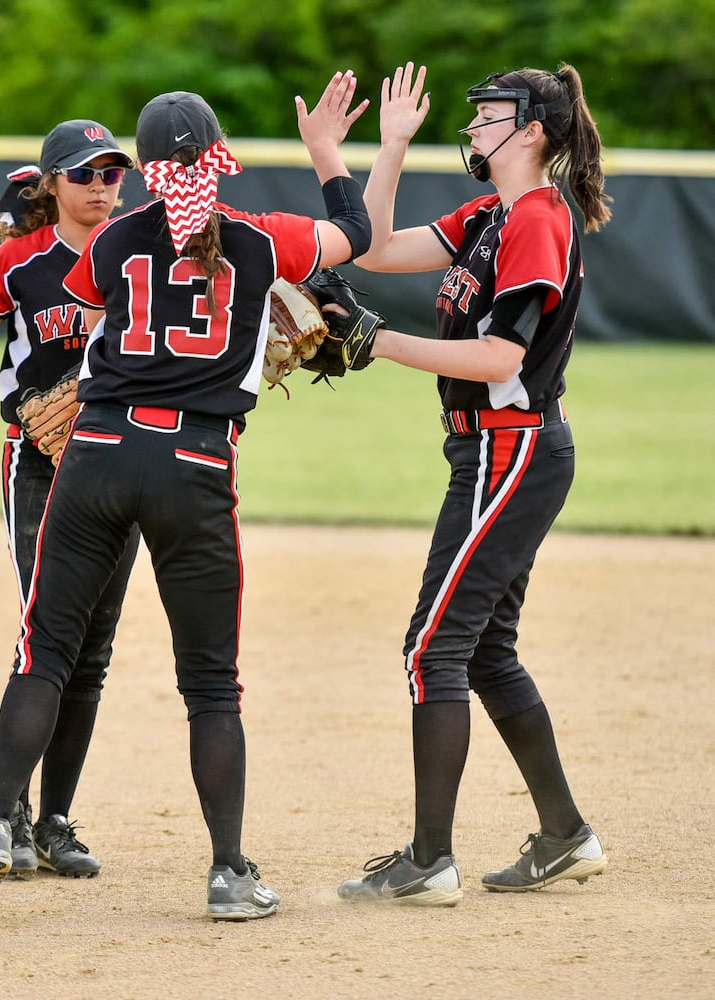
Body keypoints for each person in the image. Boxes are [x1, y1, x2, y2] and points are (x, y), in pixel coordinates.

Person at [0, 71, 372, 919]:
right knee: (211, 686)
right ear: (218, 158)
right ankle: (228, 874)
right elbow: (355, 232)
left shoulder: (109, 243)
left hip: (95, 455)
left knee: (44, 652)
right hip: (197, 462)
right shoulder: (260, 239)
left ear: (138, 169)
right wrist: (327, 153)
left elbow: (100, 296)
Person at [336, 62, 612, 905]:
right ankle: (565, 836)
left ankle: (429, 859)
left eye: (490, 115)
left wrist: (375, 342)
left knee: (434, 648)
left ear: (531, 130)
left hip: (513, 448)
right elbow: (377, 250)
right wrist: (384, 149)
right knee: (483, 647)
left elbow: (500, 359)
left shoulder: (536, 218)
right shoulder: (492, 214)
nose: (476, 127)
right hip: (488, 452)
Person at [0, 120, 141, 882]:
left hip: (123, 464)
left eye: (112, 171)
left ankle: (52, 821)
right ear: (51, 183)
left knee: (94, 646)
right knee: (45, 634)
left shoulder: (144, 251)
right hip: (40, 467)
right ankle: (7, 813)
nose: (100, 185)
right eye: (84, 173)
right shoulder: (19, 261)